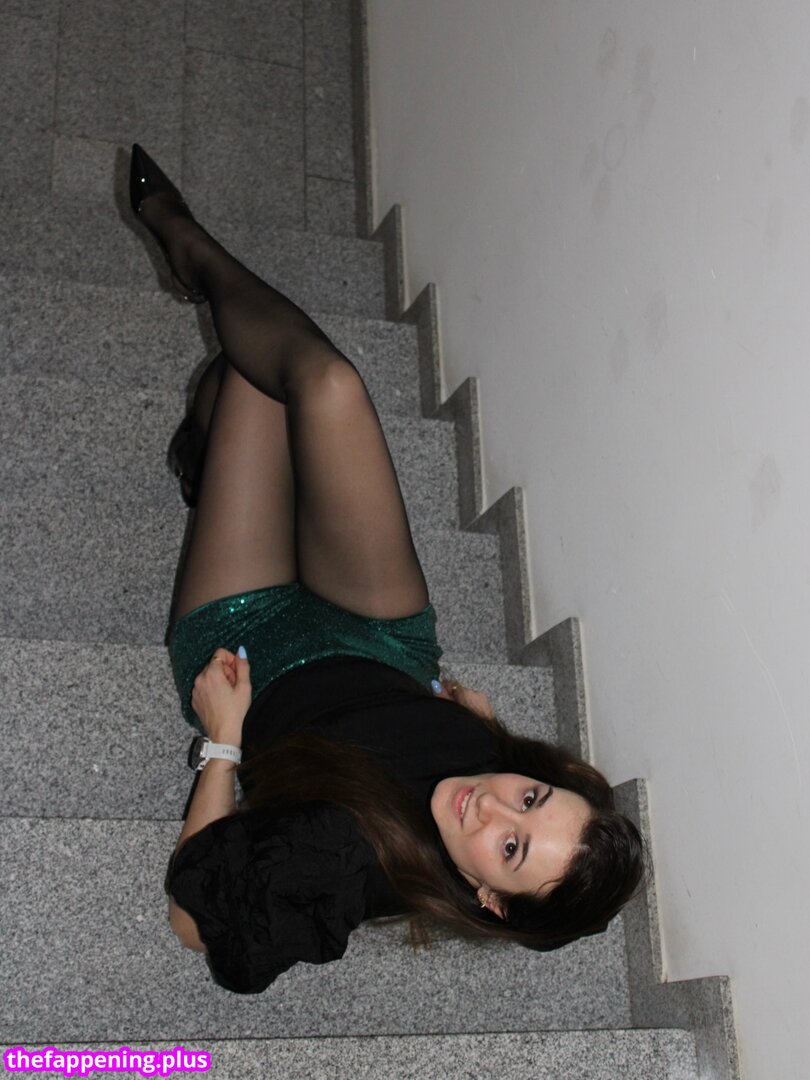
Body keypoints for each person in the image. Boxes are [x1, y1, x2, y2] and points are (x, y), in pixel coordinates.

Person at [129, 144, 643, 995]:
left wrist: (221, 740)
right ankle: (201, 332)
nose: (493, 803)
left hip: (252, 652)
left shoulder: (356, 866)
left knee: (255, 379)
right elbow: (485, 775)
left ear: (491, 901)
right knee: (325, 384)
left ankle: (192, 271)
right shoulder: (489, 769)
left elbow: (194, 926)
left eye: (511, 847)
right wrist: (480, 729)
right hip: (382, 640)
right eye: (532, 797)